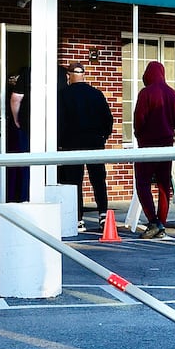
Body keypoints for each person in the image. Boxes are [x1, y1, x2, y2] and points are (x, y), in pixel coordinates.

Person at [58, 62, 115, 230]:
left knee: (75, 181)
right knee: (98, 179)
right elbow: (108, 119)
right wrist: (103, 137)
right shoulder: (96, 94)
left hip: (72, 143)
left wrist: (61, 143)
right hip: (95, 142)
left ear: (68, 76)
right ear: (83, 74)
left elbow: (60, 121)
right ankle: (103, 214)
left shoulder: (63, 95)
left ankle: (78, 218)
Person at [132, 60, 175, 239]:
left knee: (143, 182)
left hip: (147, 145)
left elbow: (139, 118)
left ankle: (153, 221)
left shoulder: (145, 93)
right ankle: (162, 221)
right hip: (167, 144)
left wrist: (139, 134)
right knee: (164, 184)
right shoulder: (172, 93)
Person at [5, 69, 29, 203]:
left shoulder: (13, 95)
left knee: (16, 165)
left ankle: (14, 195)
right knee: (20, 165)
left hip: (16, 132)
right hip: (16, 131)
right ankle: (19, 195)